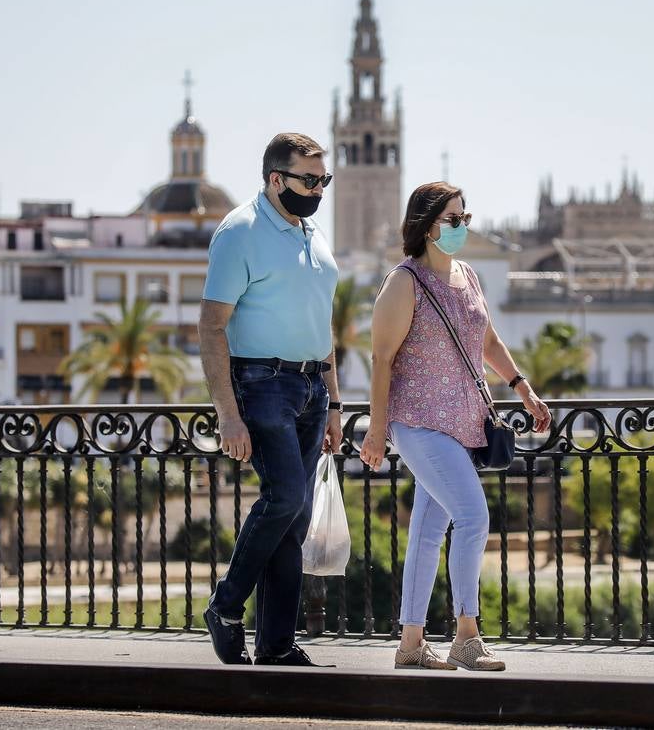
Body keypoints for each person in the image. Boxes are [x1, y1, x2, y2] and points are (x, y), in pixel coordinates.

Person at [360, 181, 550, 670]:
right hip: (418, 423)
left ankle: (410, 644)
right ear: (426, 226)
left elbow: (486, 339)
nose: (463, 227)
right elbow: (381, 359)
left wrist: (521, 385)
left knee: (428, 532)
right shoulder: (404, 282)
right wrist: (377, 432)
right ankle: (467, 635)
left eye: (465, 218)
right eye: (453, 219)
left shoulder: (467, 275)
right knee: (473, 516)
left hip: (463, 424)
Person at [199, 132, 343, 667]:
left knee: (296, 515)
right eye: (309, 180)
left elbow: (320, 323)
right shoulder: (239, 232)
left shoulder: (314, 234)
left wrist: (333, 402)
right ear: (275, 179)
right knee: (283, 498)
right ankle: (226, 605)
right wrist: (227, 415)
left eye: (323, 180)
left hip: (310, 387)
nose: (318, 190)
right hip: (260, 383)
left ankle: (277, 644)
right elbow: (212, 328)